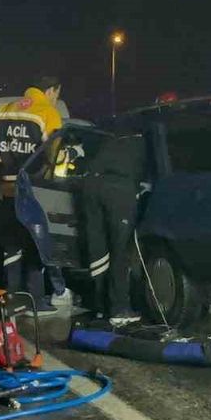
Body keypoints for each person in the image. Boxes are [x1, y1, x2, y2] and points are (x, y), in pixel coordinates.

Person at [0, 75, 67, 314]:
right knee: (34, 243)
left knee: (11, 244)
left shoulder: (6, 110)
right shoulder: (47, 113)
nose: (56, 99)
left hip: (6, 188)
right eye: (57, 94)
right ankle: (35, 301)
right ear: (51, 90)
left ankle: (12, 298)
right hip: (32, 189)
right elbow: (55, 152)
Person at [81, 131, 148, 326]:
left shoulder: (112, 137)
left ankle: (100, 307)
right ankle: (119, 309)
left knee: (98, 250)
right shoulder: (144, 139)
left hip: (90, 185)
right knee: (120, 250)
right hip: (117, 187)